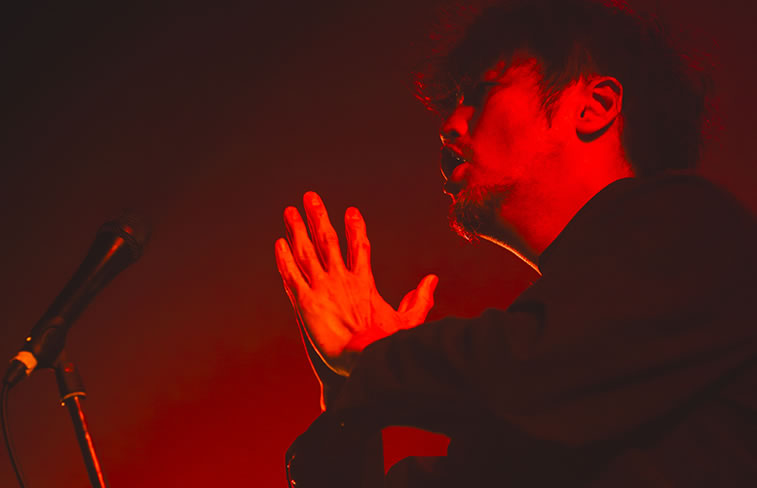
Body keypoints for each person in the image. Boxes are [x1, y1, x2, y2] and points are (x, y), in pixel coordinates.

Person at [275, 0, 757, 486]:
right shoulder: (532, 398)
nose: (450, 125)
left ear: (594, 106)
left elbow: (538, 366)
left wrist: (376, 358)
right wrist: (348, 397)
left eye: (480, 93)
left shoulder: (704, 231)